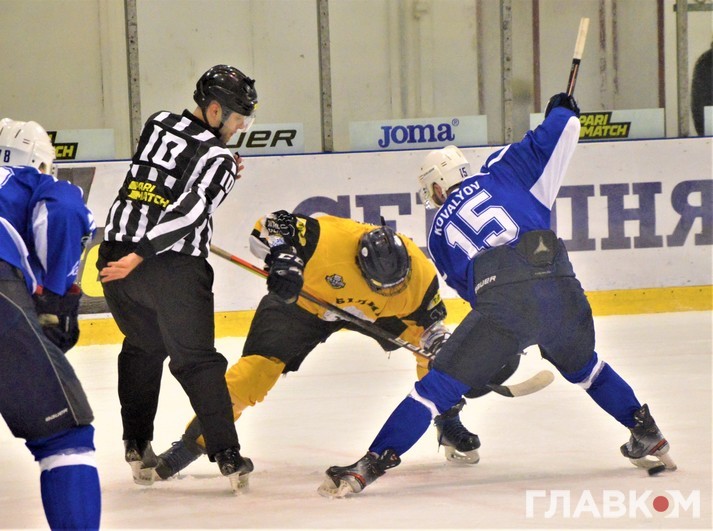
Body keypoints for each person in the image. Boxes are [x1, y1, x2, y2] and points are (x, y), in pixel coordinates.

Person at [318, 93, 674, 498]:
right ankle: (647, 432)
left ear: (437, 186)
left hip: (504, 303)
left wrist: (492, 352)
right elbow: (566, 128)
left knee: (434, 391)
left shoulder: (437, 236)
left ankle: (368, 466)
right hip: (561, 287)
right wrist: (561, 109)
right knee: (587, 370)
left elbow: (478, 297)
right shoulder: (504, 171)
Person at [153, 212, 522, 479]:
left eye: (397, 284)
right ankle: (194, 442)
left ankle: (448, 419)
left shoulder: (420, 276)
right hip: (304, 304)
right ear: (360, 265)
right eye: (382, 285)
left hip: (377, 316)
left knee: (434, 355)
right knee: (252, 375)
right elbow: (269, 225)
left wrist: (449, 352)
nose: (392, 290)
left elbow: (430, 330)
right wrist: (283, 260)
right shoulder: (326, 238)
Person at [96, 64, 258, 492]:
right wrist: (142, 255)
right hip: (168, 268)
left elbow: (163, 174)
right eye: (238, 119)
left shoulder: (158, 122)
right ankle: (227, 455)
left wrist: (130, 256)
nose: (240, 128)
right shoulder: (221, 159)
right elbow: (188, 211)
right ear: (215, 110)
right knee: (197, 361)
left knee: (142, 347)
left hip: (113, 258)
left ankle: (136, 445)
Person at [0, 118, 101, 528]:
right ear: (41, 162)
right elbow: (63, 209)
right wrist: (57, 300)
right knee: (66, 437)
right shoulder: (34, 181)